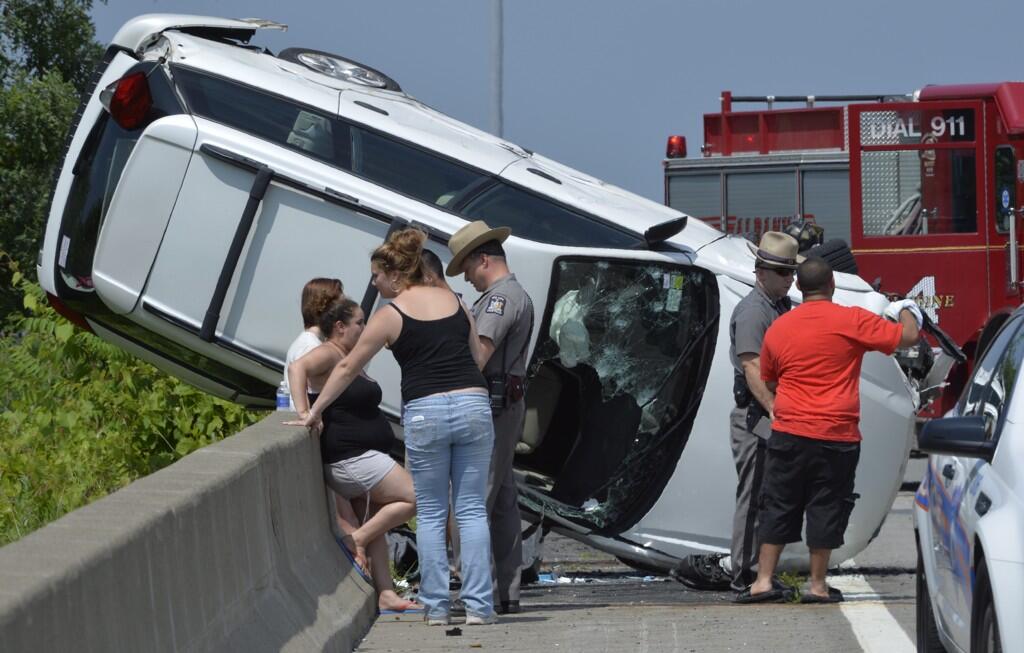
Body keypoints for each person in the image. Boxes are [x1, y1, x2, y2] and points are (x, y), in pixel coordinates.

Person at [297, 227, 498, 626]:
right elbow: (477, 357)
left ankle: (438, 608)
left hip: (427, 410)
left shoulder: (391, 314)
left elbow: (346, 366)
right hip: (474, 403)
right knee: (471, 509)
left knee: (433, 510)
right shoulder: (456, 301)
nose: (373, 283)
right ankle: (479, 608)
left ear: (394, 274)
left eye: (376, 275)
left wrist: (314, 410)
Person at [736, 256, 921, 603]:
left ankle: (762, 581)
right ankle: (817, 586)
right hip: (836, 434)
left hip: (789, 432)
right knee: (827, 505)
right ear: (832, 286)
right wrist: (907, 309)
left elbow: (770, 378)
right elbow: (908, 337)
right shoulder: (850, 321)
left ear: (799, 287)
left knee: (778, 503)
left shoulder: (780, 328)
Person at [671, 232, 798, 593]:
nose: (789, 279)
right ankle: (745, 574)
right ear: (761, 272)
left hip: (768, 414)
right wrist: (776, 411)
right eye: (782, 272)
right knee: (754, 496)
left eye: (791, 272)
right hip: (757, 416)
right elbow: (752, 368)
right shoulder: (754, 311)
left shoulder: (778, 307)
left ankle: (758, 573)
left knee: (767, 496)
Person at [448, 220, 534, 615]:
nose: (467, 278)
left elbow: (479, 356)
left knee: (473, 498)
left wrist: (462, 317)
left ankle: (477, 590)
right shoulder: (509, 296)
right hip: (503, 404)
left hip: (493, 406)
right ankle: (505, 590)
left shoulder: (499, 300)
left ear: (483, 260)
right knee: (500, 501)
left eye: (467, 269)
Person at [283, 278, 363, 573]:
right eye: (339, 300)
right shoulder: (309, 345)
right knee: (343, 518)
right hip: (322, 439)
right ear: (325, 306)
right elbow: (299, 375)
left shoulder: (314, 343)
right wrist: (307, 413)